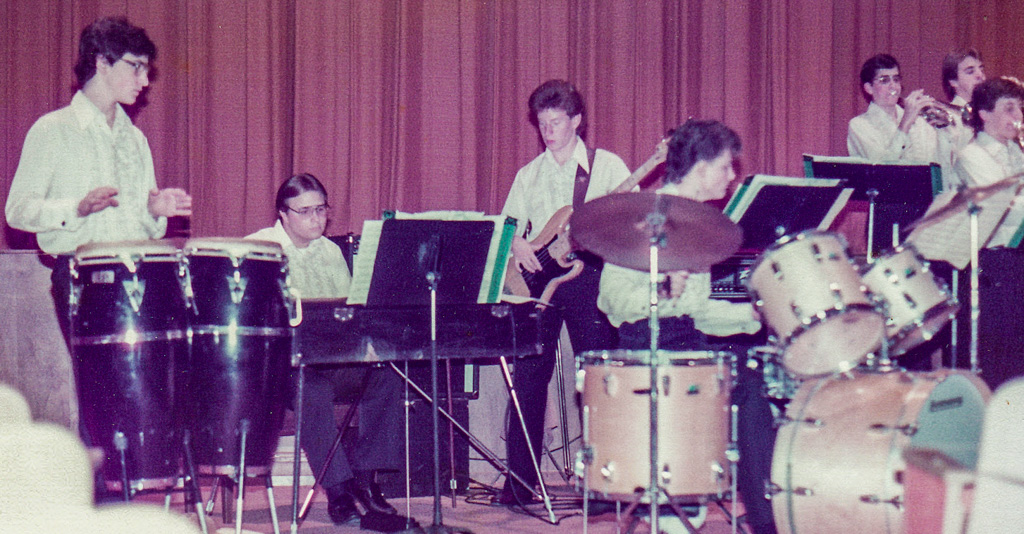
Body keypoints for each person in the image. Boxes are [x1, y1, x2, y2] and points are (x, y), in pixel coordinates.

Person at [597, 119, 776, 534]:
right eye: (725, 167)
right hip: (645, 348)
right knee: (745, 389)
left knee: (752, 381)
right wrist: (659, 289)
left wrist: (753, 316)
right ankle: (681, 498)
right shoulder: (639, 215)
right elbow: (611, 301)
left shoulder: (701, 223)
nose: (732, 177)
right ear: (699, 168)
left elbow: (695, 310)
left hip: (689, 344)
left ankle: (762, 520)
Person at [246, 173, 415, 533]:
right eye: (305, 211)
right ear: (283, 214)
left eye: (321, 209)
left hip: (333, 359)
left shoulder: (331, 251)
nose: (316, 219)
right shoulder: (260, 249)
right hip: (284, 368)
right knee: (313, 388)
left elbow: (347, 313)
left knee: (387, 375)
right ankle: (339, 490)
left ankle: (366, 483)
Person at [4, 16, 192, 340]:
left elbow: (143, 226)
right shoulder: (52, 130)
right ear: (102, 62)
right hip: (81, 278)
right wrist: (76, 209)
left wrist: (153, 210)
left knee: (141, 387)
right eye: (136, 67)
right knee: (99, 387)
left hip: (138, 277)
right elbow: (17, 211)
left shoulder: (136, 140)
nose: (144, 80)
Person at [498, 79, 630, 504]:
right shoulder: (529, 173)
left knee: (597, 376)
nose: (549, 130)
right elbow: (509, 227)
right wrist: (517, 243)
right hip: (541, 281)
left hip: (589, 277)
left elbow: (630, 217)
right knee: (529, 377)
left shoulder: (606, 166)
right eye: (542, 123)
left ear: (577, 121)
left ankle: (606, 481)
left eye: (557, 121)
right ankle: (519, 485)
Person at [949, 77, 1024, 391]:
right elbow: (1009, 207)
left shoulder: (1016, 152)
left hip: (1017, 261)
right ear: (984, 113)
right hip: (993, 268)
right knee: (1000, 365)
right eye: (1009, 109)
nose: (1018, 117)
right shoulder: (972, 156)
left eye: (1020, 108)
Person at [847, 53, 952, 182]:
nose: (893, 87)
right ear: (869, 88)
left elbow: (941, 166)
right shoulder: (859, 125)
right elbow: (882, 170)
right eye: (884, 80)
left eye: (896, 79)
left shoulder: (920, 121)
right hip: (887, 200)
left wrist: (943, 131)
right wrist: (905, 124)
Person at [939, 48, 987, 189]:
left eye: (981, 69)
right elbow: (947, 166)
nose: (980, 76)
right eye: (970, 71)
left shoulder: (989, 114)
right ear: (953, 82)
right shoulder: (945, 117)